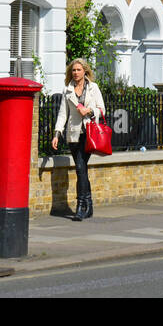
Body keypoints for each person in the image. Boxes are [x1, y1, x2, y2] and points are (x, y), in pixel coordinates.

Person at [51, 58, 106, 221]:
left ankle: (81, 207)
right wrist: (56, 133)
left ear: (85, 72)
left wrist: (89, 111)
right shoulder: (67, 90)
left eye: (78, 70)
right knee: (82, 169)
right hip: (73, 134)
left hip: (89, 134)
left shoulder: (93, 88)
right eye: (73, 70)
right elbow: (63, 114)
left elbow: (102, 108)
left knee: (81, 168)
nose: (76, 73)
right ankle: (88, 205)